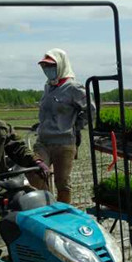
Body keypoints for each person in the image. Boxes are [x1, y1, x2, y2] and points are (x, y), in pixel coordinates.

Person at [34, 48, 93, 204]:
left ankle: (63, 212)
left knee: (63, 183)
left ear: (60, 65)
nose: (47, 70)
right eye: (45, 67)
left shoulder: (73, 87)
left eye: (51, 66)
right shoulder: (48, 87)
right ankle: (47, 204)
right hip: (43, 141)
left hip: (64, 143)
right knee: (36, 173)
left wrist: (76, 125)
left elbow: (91, 111)